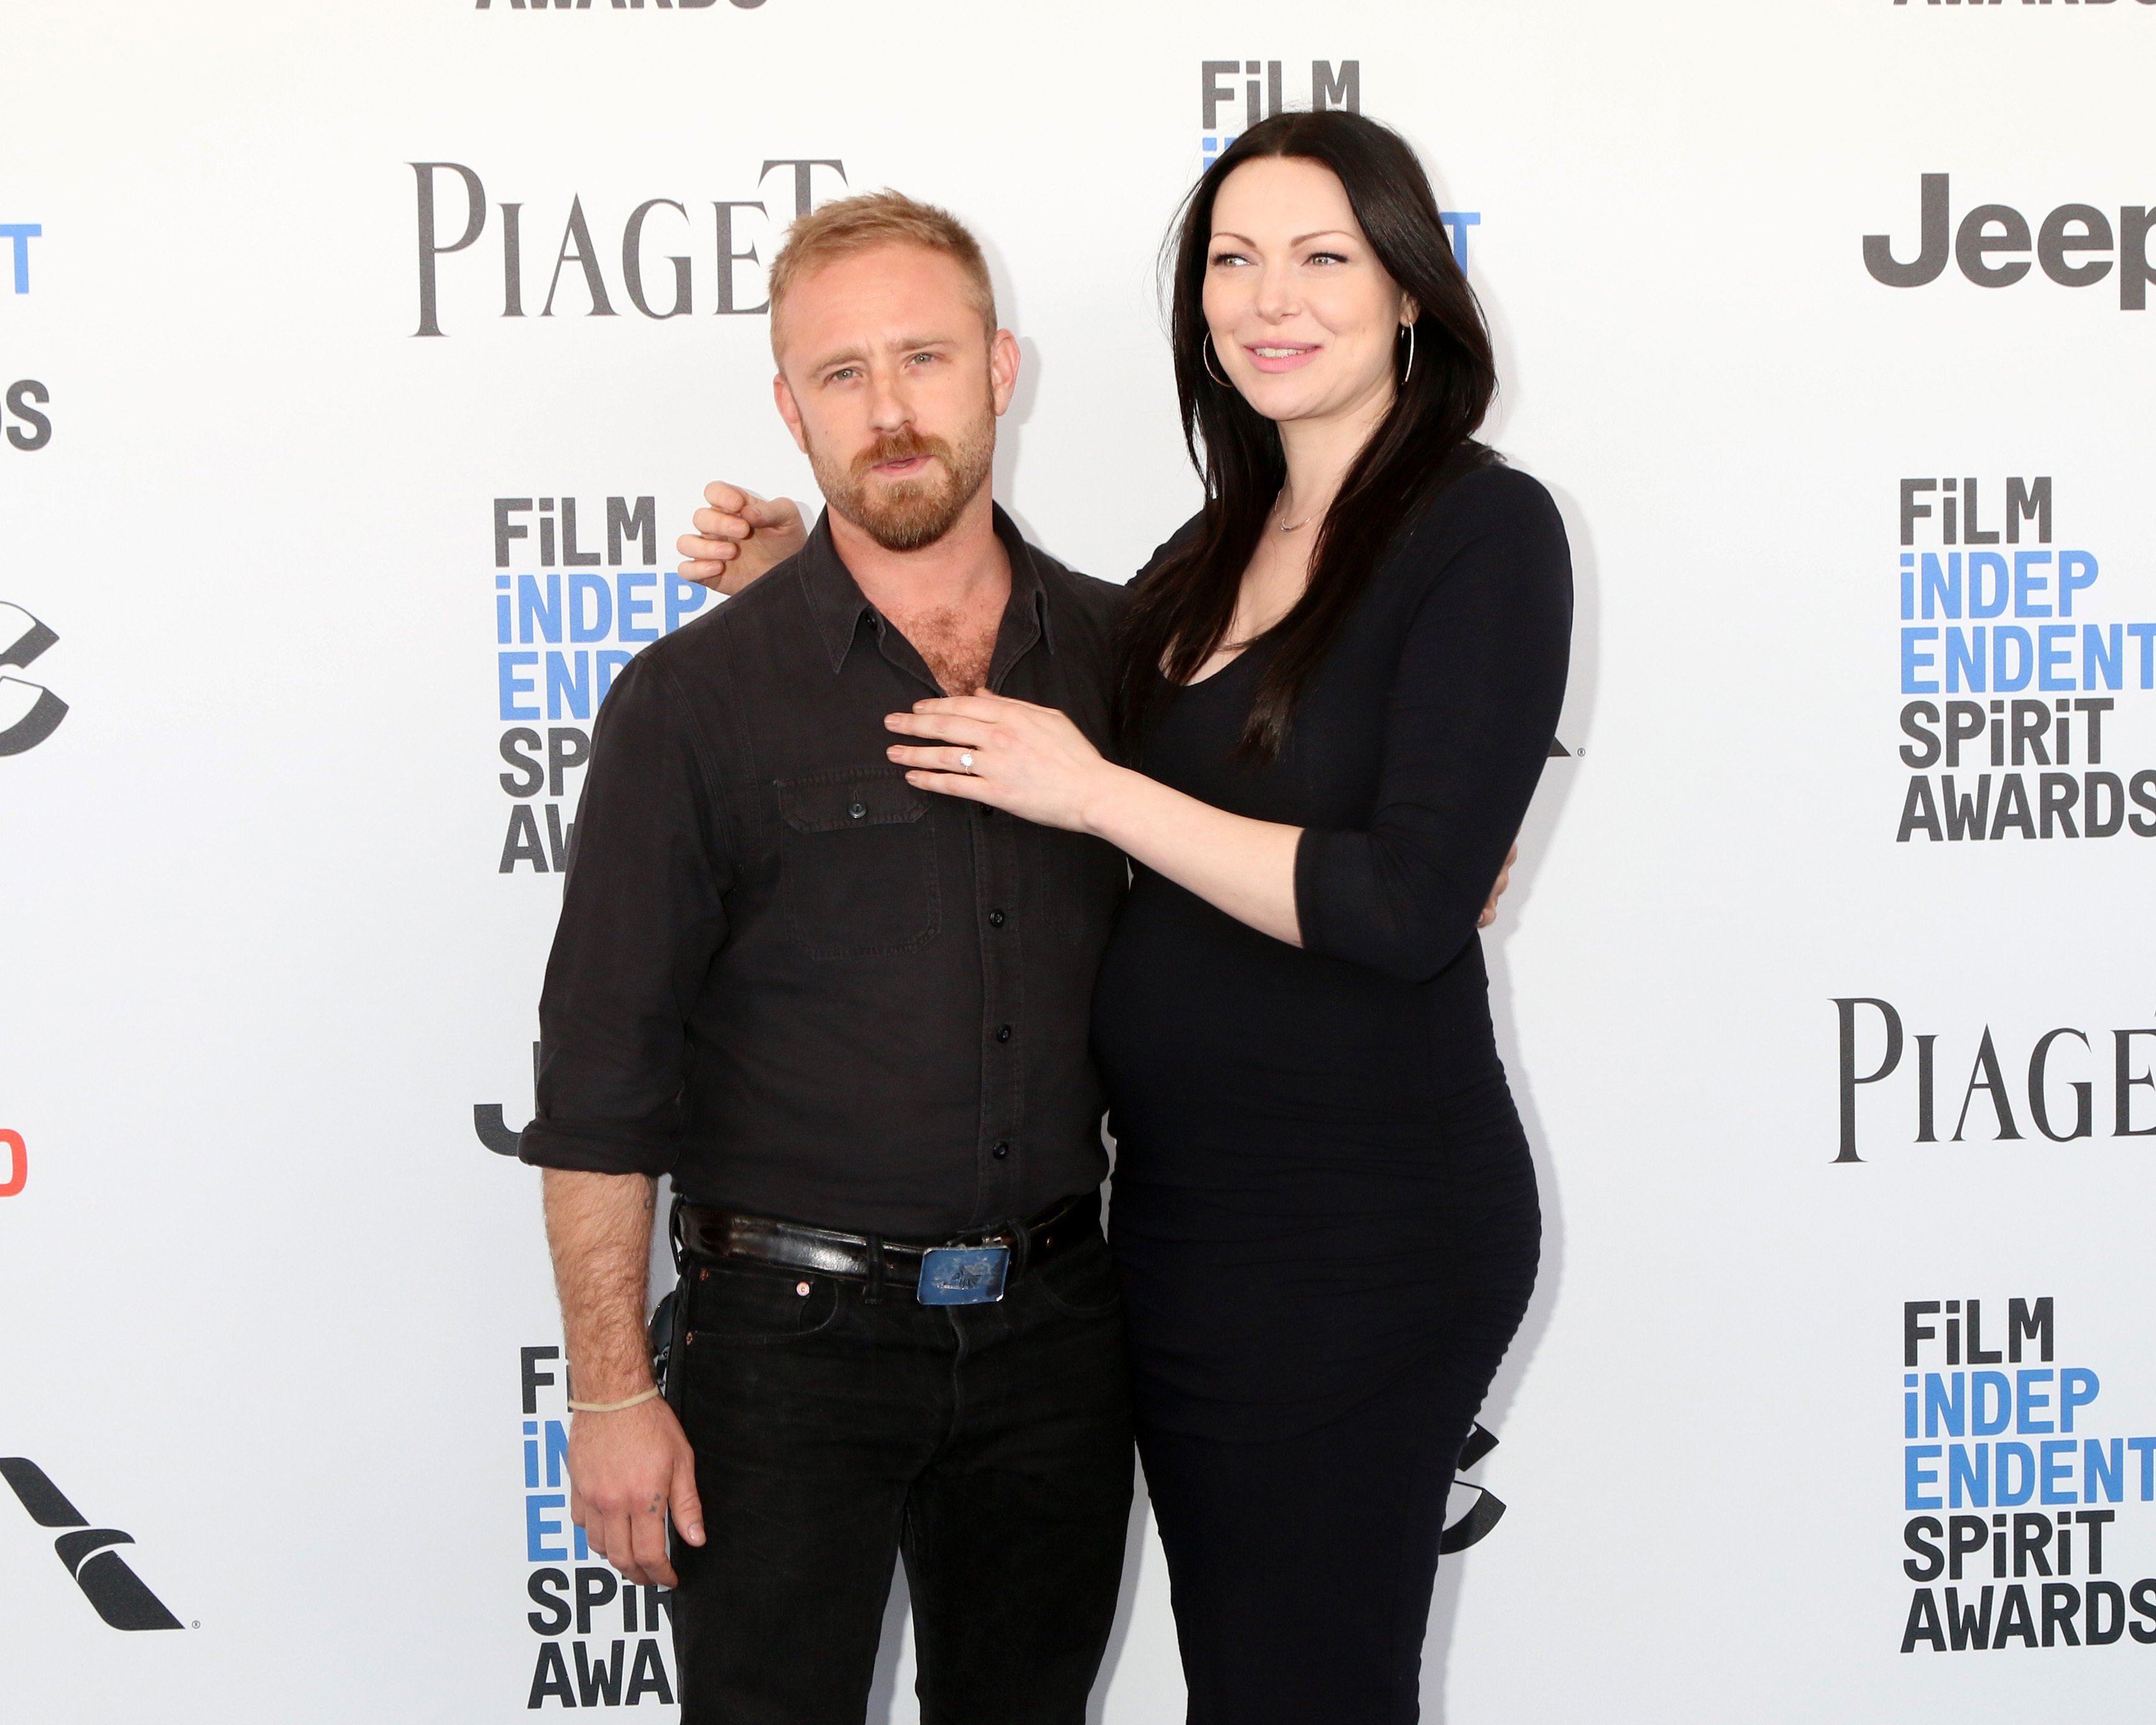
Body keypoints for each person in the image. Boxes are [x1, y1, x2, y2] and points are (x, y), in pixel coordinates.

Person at [683, 111, 1569, 1724]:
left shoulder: (1481, 529)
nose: (1268, 299)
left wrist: (1102, 794)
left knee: (1307, 1686)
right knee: (1244, 1675)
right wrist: (808, 591)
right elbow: (1007, 692)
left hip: (1362, 1230)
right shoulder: (1208, 548)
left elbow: (1396, 906)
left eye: (1322, 257)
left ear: (1412, 296)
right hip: (1174, 1238)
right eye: (1233, 260)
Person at [518, 191, 1138, 1725]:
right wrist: (608, 1388)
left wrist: (1429, 848)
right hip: (782, 1359)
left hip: (1062, 1337)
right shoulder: (694, 702)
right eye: (843, 375)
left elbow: (1294, 844)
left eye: (923, 358)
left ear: (1002, 370)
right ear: (791, 411)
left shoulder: (1132, 660)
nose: (891, 410)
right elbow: (601, 1079)